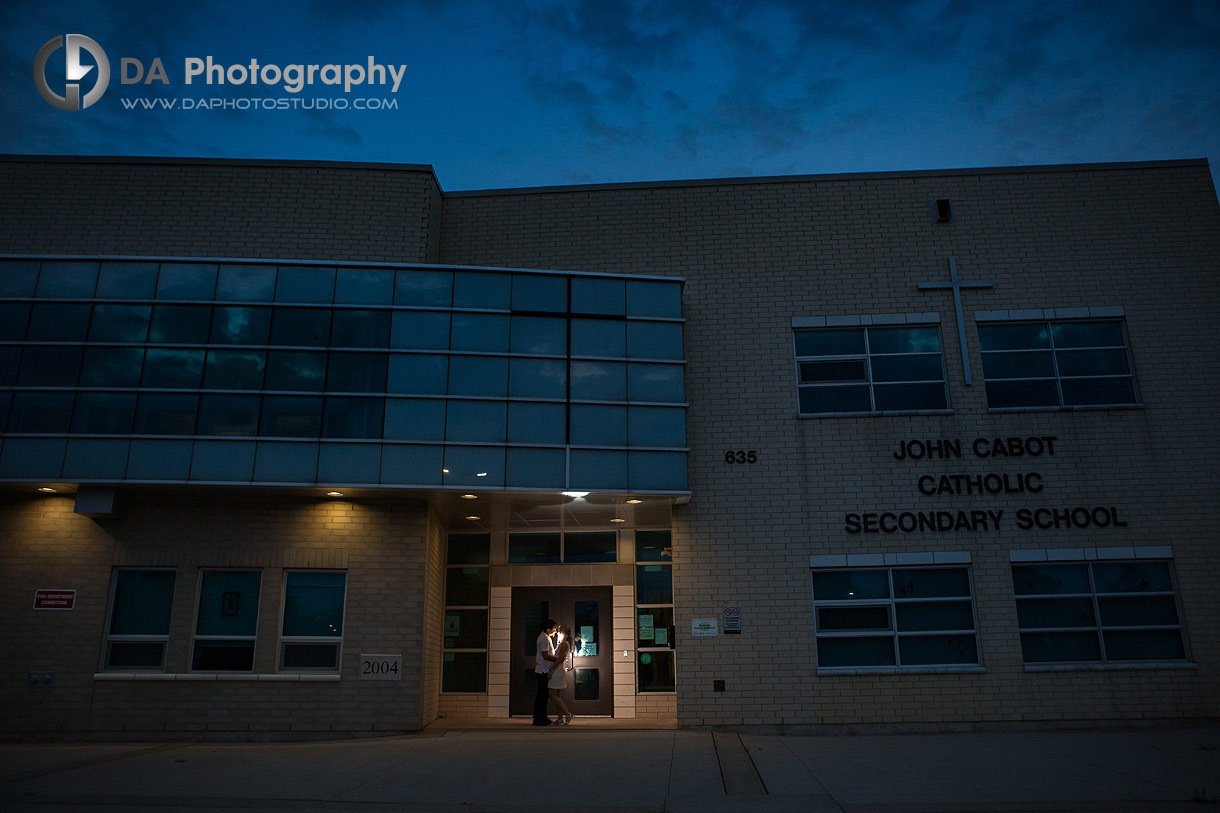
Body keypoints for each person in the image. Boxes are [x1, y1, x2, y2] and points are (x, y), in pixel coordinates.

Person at [547, 624, 576, 725]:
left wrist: (551, 670)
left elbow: (559, 659)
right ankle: (560, 718)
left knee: (552, 694)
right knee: (558, 695)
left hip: (557, 671)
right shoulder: (566, 643)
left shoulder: (564, 644)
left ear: (562, 632)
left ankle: (568, 714)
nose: (557, 632)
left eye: (559, 631)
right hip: (560, 670)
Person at [532, 618, 559, 726]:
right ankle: (538, 718)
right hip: (542, 670)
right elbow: (545, 655)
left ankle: (543, 716)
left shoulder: (545, 637)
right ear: (548, 630)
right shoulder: (543, 639)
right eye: (554, 629)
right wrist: (557, 660)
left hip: (544, 669)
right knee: (542, 695)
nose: (555, 631)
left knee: (544, 695)